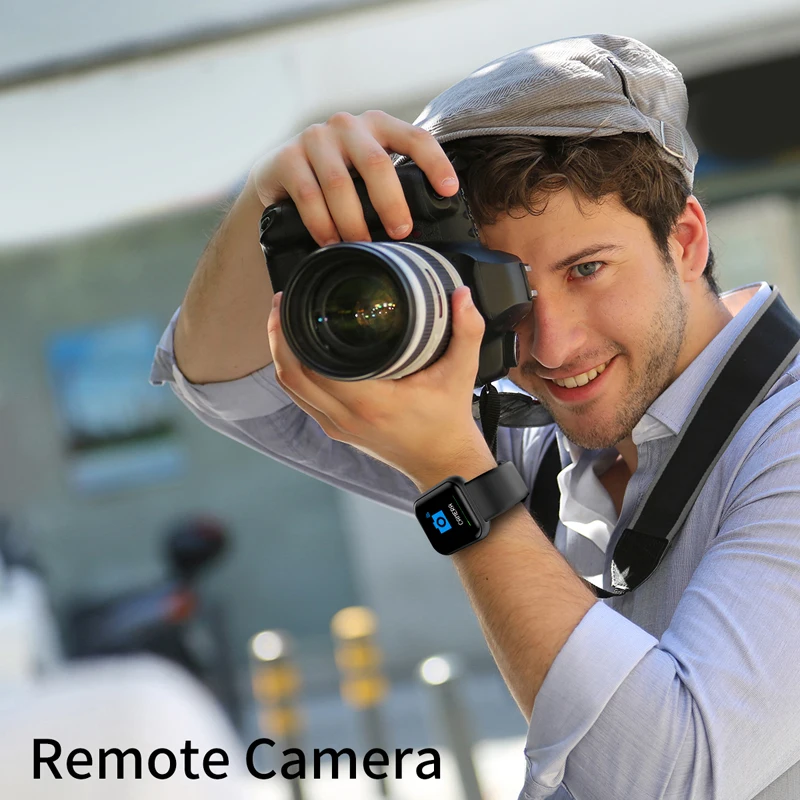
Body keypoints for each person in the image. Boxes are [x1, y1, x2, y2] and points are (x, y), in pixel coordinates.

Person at [150, 34, 800, 799]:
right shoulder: (533, 439)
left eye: (587, 269)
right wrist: (267, 197)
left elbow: (670, 778)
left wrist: (455, 482)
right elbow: (227, 387)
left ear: (684, 240)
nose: (550, 344)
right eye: (505, 290)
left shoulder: (780, 437)